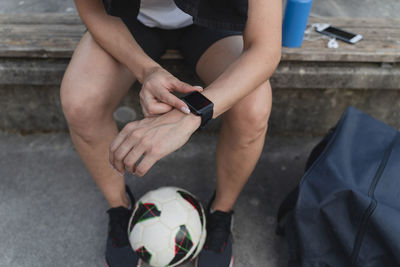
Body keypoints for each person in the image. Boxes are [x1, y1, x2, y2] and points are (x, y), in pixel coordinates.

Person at [60, 0, 281, 266]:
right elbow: (92, 8)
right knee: (81, 104)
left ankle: (221, 212)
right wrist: (147, 69)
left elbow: (265, 50)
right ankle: (120, 209)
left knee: (253, 109)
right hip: (128, 18)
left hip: (214, 23)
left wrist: (191, 115)